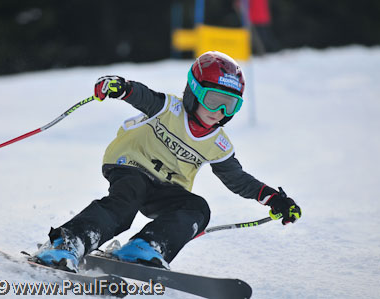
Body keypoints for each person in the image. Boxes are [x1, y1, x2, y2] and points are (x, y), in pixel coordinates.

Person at [32, 51, 302, 272]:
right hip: (131, 164)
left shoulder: (218, 144)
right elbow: (142, 96)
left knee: (197, 208)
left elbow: (238, 179)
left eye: (229, 106)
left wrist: (273, 199)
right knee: (127, 201)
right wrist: (120, 87)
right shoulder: (169, 108)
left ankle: (146, 248)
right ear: (194, 92)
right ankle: (68, 242)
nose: (218, 112)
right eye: (213, 101)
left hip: (166, 187)